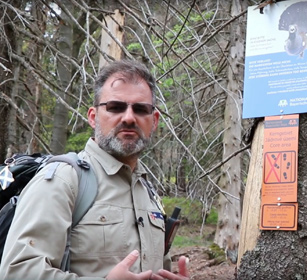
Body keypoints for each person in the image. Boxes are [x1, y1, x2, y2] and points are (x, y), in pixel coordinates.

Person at [0, 60, 190, 280]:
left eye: (140, 109)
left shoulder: (148, 193)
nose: (129, 117)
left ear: (154, 120)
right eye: (115, 107)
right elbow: (16, 272)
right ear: (93, 117)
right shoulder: (63, 180)